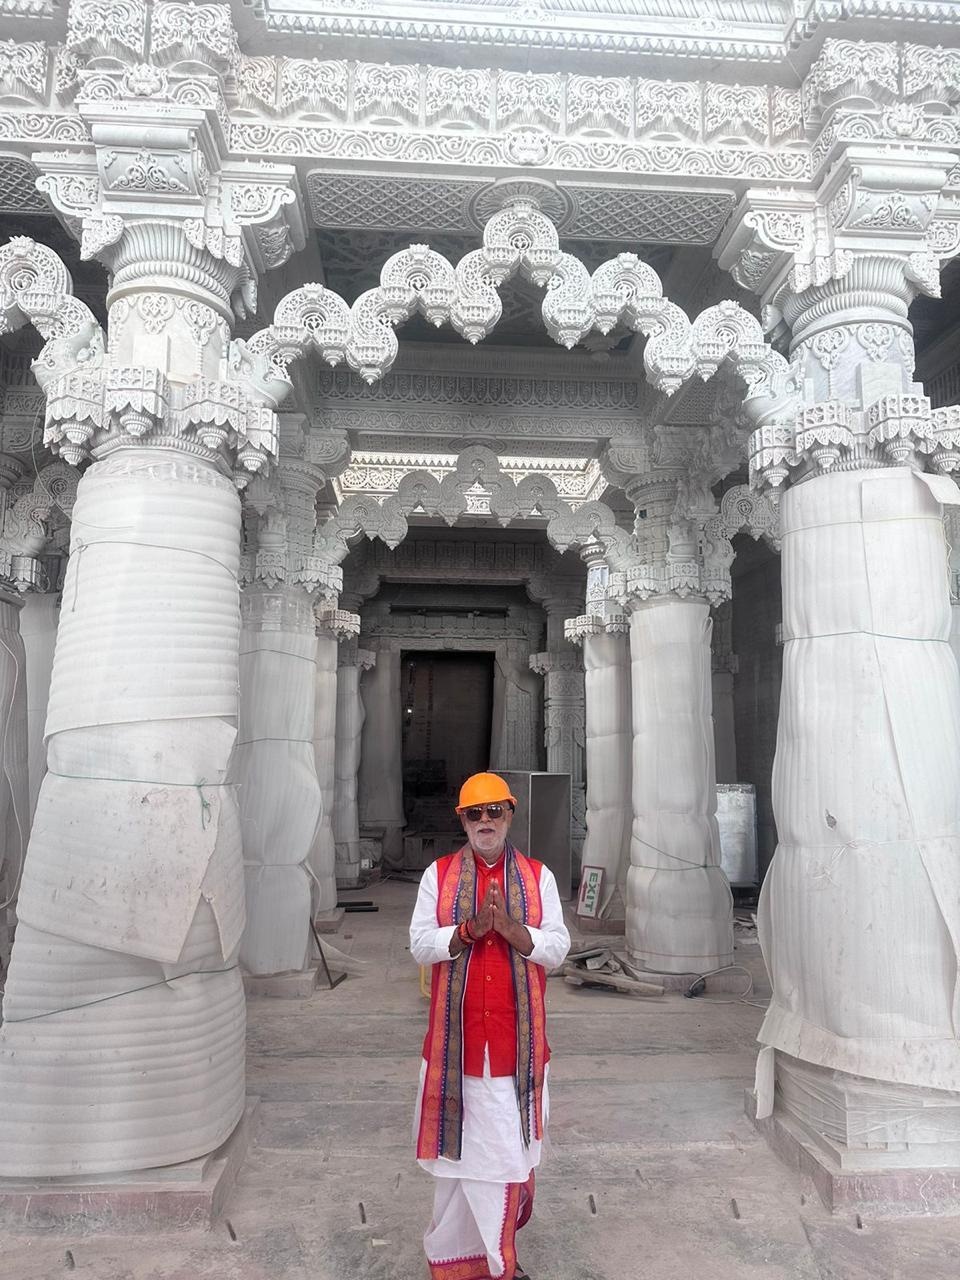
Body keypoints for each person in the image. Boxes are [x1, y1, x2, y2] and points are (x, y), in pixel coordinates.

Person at [409, 771, 571, 1280]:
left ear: (510, 814)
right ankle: (467, 1264)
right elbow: (418, 943)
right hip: (456, 1055)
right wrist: (466, 931)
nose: (485, 821)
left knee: (501, 1160)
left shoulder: (538, 876)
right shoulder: (437, 875)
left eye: (494, 811)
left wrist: (513, 932)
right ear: (461, 819)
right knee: (461, 1169)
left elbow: (558, 947)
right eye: (474, 813)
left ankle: (498, 1262)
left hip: (512, 1058)